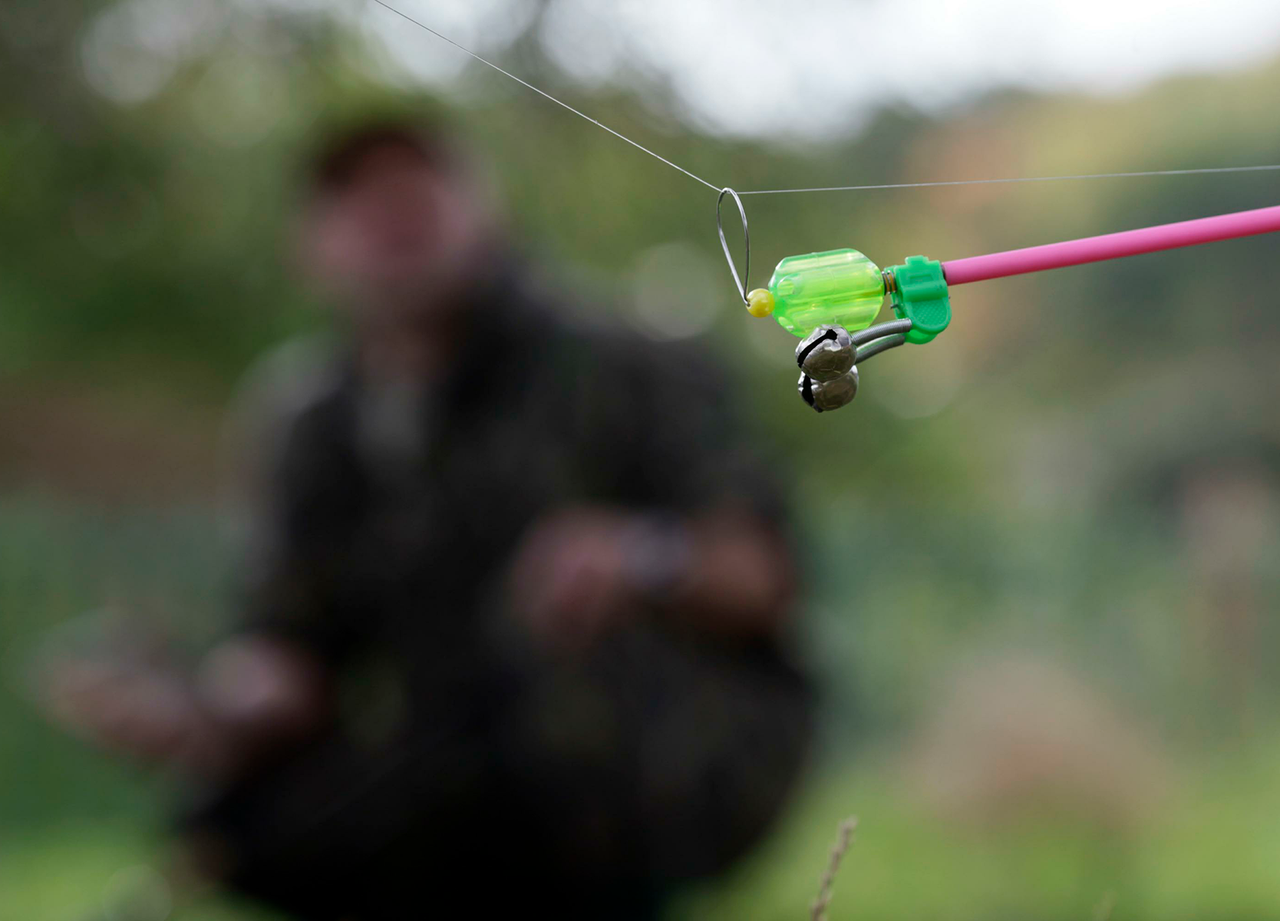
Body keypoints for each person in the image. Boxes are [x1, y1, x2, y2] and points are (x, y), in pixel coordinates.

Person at [39, 114, 813, 920]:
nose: (390, 212)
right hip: (440, 754)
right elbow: (294, 645)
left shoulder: (630, 359)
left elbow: (765, 575)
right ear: (309, 245)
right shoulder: (311, 416)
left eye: (418, 186)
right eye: (352, 196)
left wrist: (642, 556)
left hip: (642, 759)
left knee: (534, 716)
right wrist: (204, 709)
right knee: (238, 814)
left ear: (486, 207)